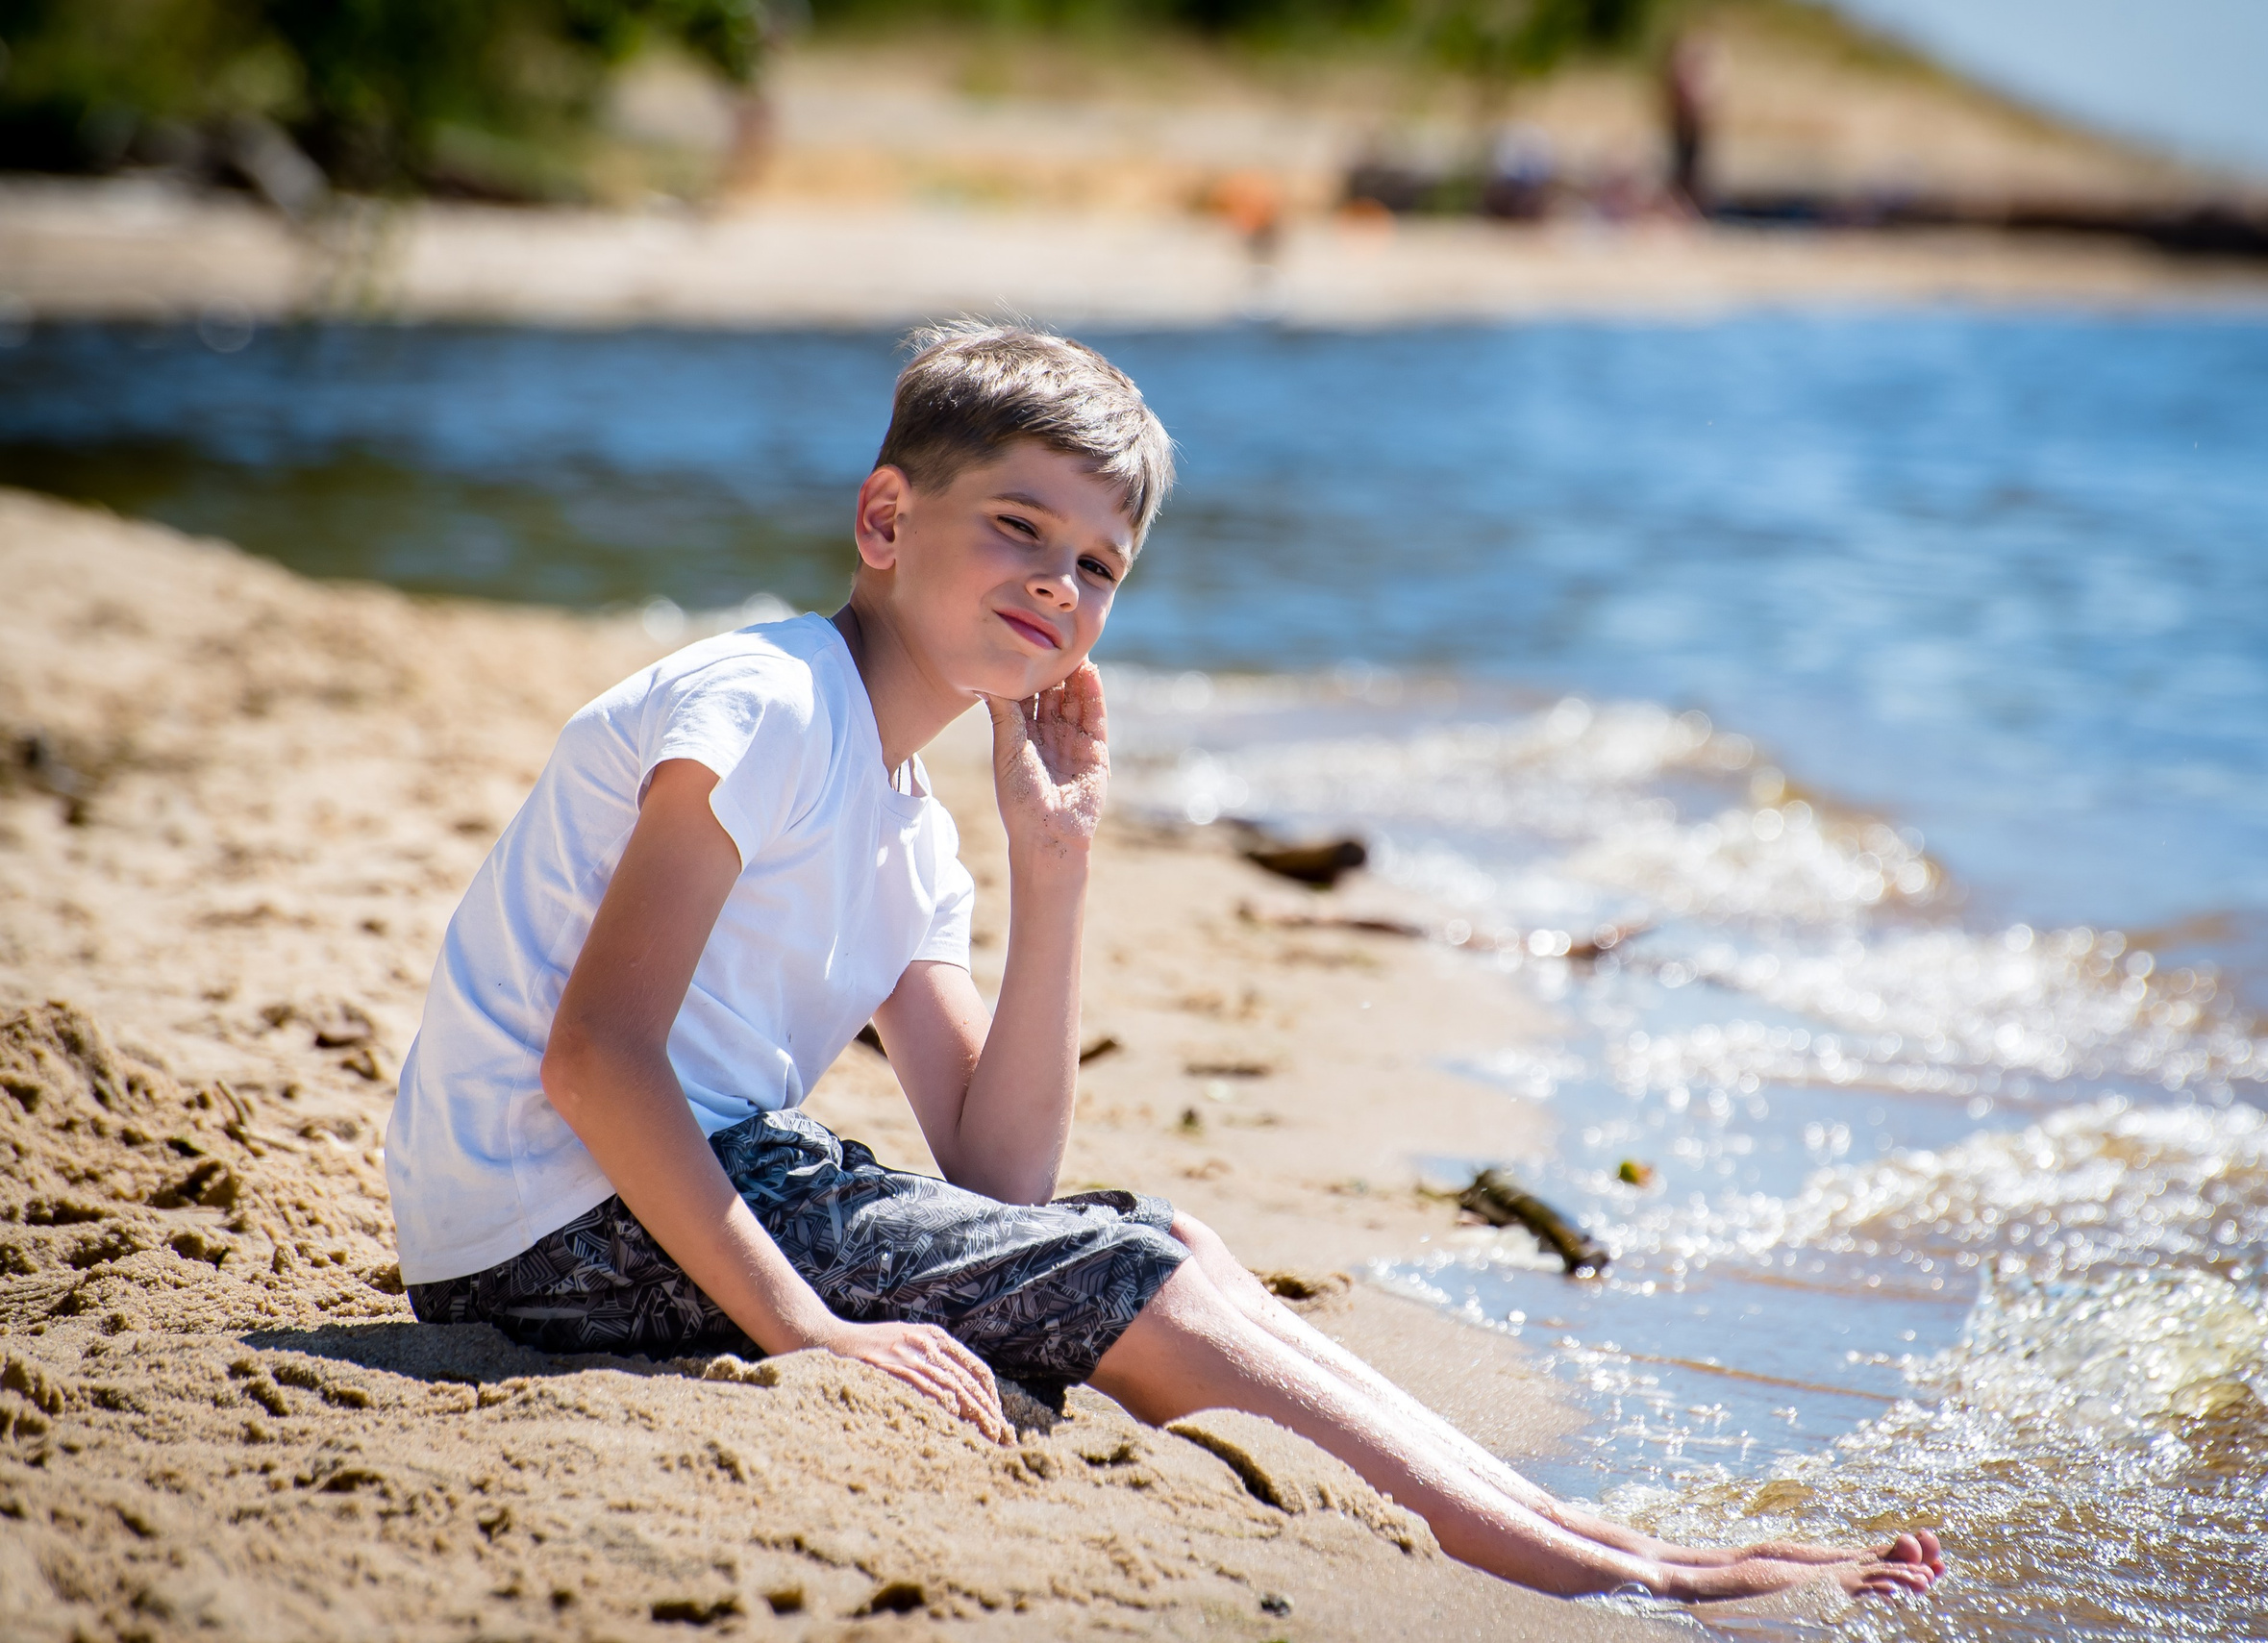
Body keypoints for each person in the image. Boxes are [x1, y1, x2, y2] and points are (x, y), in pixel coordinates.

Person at [384, 321, 1944, 1605]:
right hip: (550, 1215)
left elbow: (997, 1170)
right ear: (885, 521)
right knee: (1134, 1268)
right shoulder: (773, 701)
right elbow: (593, 1055)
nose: (1061, 584)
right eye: (1018, 527)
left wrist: (1053, 867)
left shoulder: (913, 822)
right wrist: (818, 1333)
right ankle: (1629, 1578)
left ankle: (1611, 1545)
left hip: (653, 1189)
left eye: (1101, 564)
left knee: (1164, 1230)